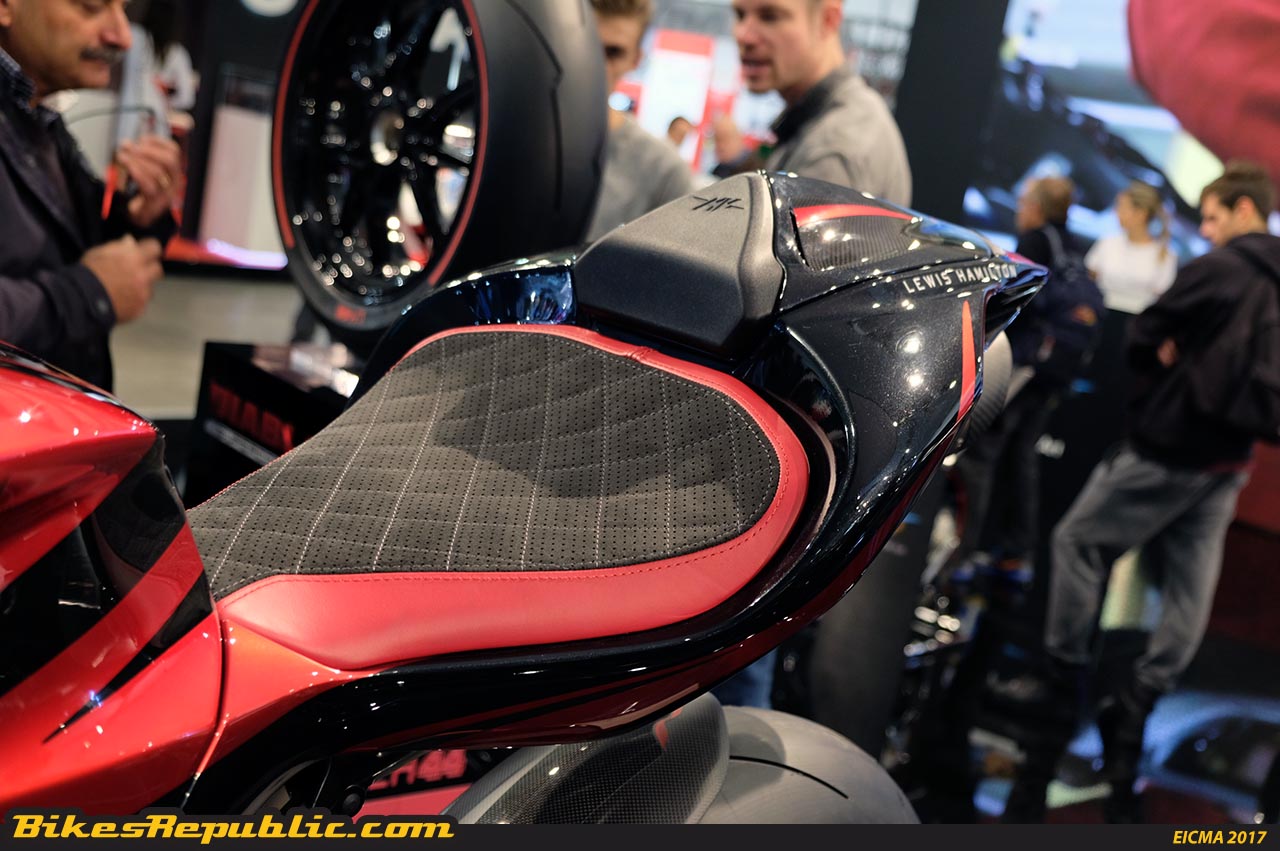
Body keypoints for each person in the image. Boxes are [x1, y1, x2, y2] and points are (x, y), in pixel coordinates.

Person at [1003, 161, 1280, 823]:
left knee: (1076, 541)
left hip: (1171, 444)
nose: (1206, 229)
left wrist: (1160, 361)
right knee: (1189, 586)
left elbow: (1147, 328)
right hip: (1231, 457)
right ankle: (1141, 697)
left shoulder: (1222, 267)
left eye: (1212, 216)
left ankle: (1061, 676)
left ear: (1244, 210)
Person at [1, 0, 180, 392]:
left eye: (122, 9)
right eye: (92, 7)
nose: (122, 37)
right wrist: (89, 294)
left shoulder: (38, 119)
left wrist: (137, 217)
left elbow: (66, 245)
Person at [946, 177, 1102, 588]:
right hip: (1055, 370)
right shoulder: (1072, 244)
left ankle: (961, 555)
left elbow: (1019, 301)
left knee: (980, 453)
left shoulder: (1036, 240)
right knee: (1020, 455)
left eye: (1023, 201)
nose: (1019, 208)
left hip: (1028, 362)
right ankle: (1016, 552)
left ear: (1037, 207)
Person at [731, 0, 911, 205]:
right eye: (740, 15)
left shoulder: (834, 148)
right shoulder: (821, 121)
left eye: (770, 17)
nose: (744, 36)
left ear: (828, 20)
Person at [585, 0, 694, 242]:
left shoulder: (664, 171)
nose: (598, 65)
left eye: (614, 52)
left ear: (635, 59)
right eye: (588, 45)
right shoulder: (516, 141)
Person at [1086, 181, 1178, 315]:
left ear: (1141, 214)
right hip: (1100, 315)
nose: (1116, 212)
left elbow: (1163, 301)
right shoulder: (1107, 242)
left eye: (1122, 208)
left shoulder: (1166, 255)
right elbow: (1089, 281)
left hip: (1139, 321)